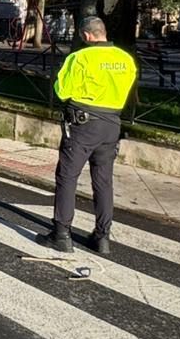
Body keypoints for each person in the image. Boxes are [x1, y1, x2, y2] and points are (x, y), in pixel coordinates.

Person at [39, 16, 138, 257]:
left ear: (86, 36)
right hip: (112, 124)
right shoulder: (125, 59)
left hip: (83, 125)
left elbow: (62, 92)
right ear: (103, 32)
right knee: (103, 181)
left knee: (67, 177)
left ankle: (61, 234)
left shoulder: (80, 57)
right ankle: (102, 237)